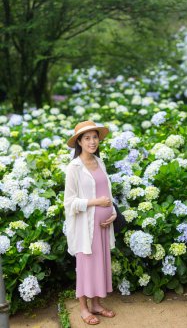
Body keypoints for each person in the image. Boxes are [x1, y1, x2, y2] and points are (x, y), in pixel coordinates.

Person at [64, 120, 117, 325]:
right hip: (86, 227)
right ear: (79, 141)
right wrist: (96, 202)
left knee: (100, 264)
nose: (92, 141)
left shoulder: (99, 162)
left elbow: (107, 193)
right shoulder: (74, 167)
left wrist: (111, 213)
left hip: (103, 226)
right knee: (86, 266)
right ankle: (84, 308)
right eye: (87, 138)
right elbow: (69, 202)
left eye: (95, 137)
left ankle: (96, 304)